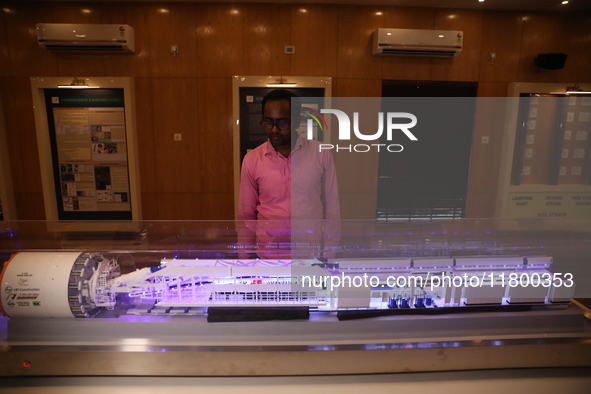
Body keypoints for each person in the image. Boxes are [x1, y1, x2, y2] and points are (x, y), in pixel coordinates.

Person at [238, 89, 340, 259]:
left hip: (310, 254)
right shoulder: (252, 159)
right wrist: (244, 258)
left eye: (282, 123)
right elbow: (246, 215)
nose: (274, 129)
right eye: (268, 122)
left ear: (297, 121)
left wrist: (329, 253)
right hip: (268, 254)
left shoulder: (321, 153)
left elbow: (332, 207)